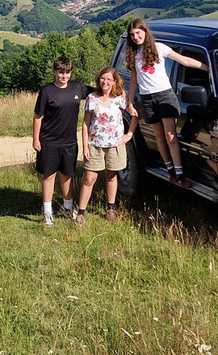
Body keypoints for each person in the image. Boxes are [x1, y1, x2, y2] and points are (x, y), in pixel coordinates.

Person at [124, 18, 208, 186]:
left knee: (171, 137)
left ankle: (180, 174)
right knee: (159, 137)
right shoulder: (134, 55)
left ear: (145, 32)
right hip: (147, 98)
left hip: (165, 95)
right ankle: (170, 170)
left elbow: (183, 60)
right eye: (132, 35)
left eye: (138, 33)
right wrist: (130, 101)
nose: (135, 37)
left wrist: (209, 68)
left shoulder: (159, 48)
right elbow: (134, 79)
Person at [32, 56, 91, 226]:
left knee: (67, 175)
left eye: (67, 73)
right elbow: (38, 116)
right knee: (48, 175)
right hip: (48, 141)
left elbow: (100, 91)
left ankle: (67, 207)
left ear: (70, 73)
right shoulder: (46, 91)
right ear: (54, 72)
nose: (63, 76)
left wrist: (120, 92)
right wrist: (36, 139)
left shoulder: (78, 88)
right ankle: (47, 213)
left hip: (70, 142)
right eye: (60, 72)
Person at [77, 67, 138, 225]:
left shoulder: (120, 97)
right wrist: (85, 146)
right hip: (95, 144)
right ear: (99, 80)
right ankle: (81, 212)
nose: (105, 82)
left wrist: (129, 135)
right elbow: (85, 124)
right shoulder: (91, 98)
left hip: (114, 145)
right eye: (103, 79)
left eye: (109, 79)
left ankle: (111, 209)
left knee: (111, 176)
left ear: (114, 81)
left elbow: (134, 115)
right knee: (89, 179)